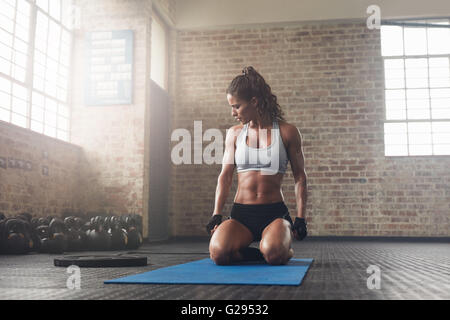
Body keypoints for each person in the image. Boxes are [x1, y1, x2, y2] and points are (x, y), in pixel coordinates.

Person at [206, 66, 308, 266]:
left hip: (274, 214)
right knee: (218, 254)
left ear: (254, 102)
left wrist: (301, 218)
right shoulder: (234, 134)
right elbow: (225, 176)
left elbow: (300, 177)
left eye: (237, 106)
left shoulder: (287, 132)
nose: (233, 112)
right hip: (241, 214)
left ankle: (278, 249)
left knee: (275, 254)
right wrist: (216, 214)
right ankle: (266, 251)